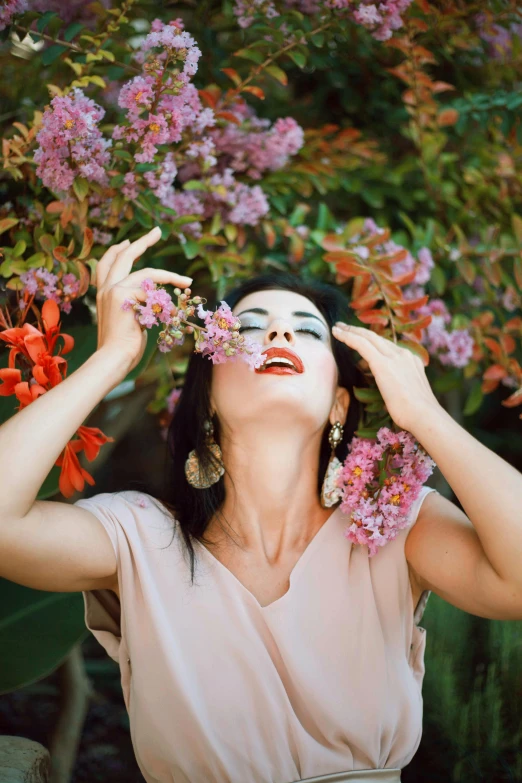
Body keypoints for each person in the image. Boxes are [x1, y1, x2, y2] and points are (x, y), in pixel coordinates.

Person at [2, 228, 522, 783]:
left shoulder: (394, 525)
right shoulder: (138, 537)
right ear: (204, 398)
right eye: (248, 327)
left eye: (307, 332)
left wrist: (426, 415)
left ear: (339, 401)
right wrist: (112, 358)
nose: (277, 332)